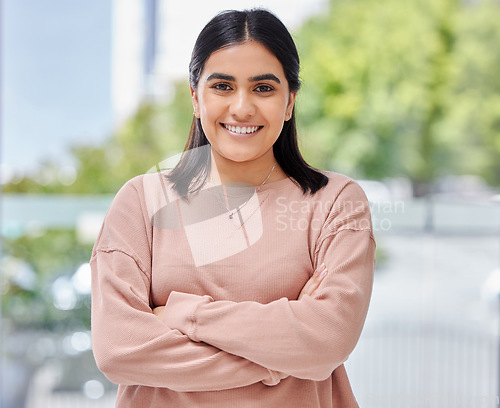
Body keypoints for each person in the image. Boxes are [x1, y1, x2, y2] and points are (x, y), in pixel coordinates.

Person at [91, 8, 375, 408]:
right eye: (222, 86)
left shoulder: (336, 203)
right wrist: (283, 358)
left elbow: (328, 340)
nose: (242, 108)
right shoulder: (140, 203)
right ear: (195, 97)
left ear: (290, 101)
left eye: (263, 88)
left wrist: (184, 314)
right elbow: (118, 349)